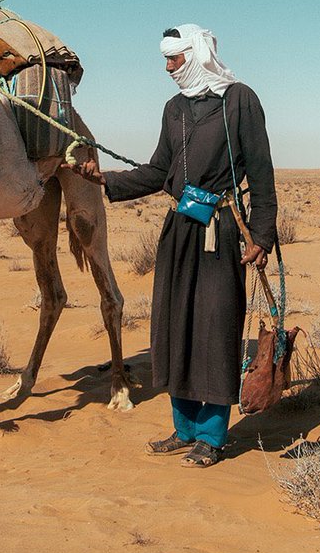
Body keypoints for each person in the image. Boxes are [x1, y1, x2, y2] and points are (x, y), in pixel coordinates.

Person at [68, 24, 278, 467]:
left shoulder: (239, 100)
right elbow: (159, 169)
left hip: (219, 232)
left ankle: (212, 435)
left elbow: (261, 172)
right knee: (175, 325)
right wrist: (106, 179)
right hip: (179, 230)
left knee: (216, 329)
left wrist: (262, 236)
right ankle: (183, 429)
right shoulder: (173, 109)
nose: (167, 68)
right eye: (165, 60)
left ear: (197, 54)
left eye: (174, 58)